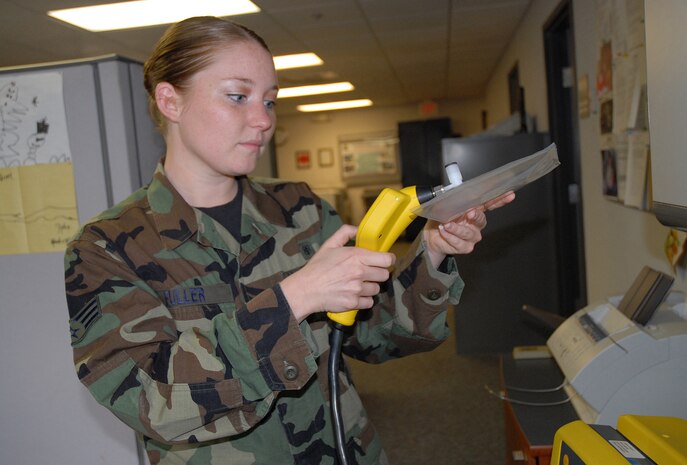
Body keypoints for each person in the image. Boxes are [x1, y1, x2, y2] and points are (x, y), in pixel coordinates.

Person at [63, 16, 514, 465]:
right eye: (237, 97)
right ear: (170, 101)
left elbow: (373, 335)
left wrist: (433, 250)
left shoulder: (298, 207)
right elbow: (149, 402)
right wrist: (293, 298)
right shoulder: (108, 247)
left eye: (270, 101)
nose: (262, 120)